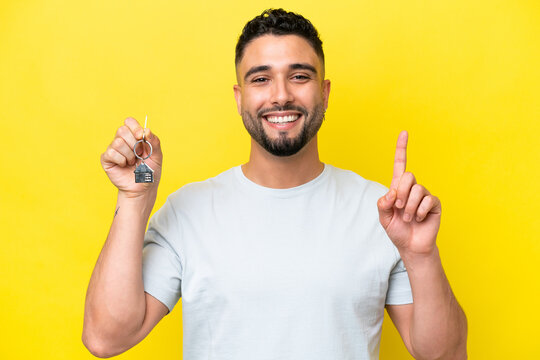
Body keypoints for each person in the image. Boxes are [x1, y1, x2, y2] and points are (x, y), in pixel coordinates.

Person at [83, 8, 467, 360]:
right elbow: (106, 338)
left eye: (299, 76)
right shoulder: (188, 212)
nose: (281, 95)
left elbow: (445, 356)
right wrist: (135, 198)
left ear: (325, 92)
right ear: (239, 98)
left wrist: (421, 256)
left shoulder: (382, 213)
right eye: (261, 79)